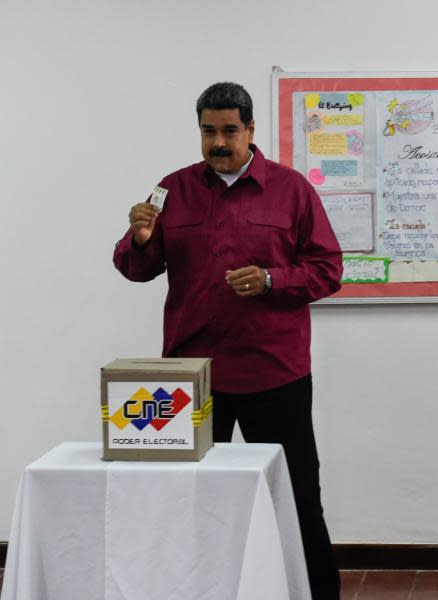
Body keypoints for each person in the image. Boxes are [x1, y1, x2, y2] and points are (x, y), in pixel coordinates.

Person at [113, 82, 343, 599]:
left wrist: (270, 281)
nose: (219, 142)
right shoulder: (171, 189)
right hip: (192, 379)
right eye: (209, 131)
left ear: (251, 130)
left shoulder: (291, 189)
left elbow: (328, 270)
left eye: (230, 131)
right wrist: (141, 240)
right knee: (189, 498)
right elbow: (135, 268)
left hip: (274, 373)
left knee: (298, 497)